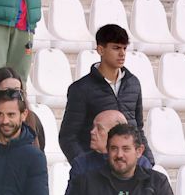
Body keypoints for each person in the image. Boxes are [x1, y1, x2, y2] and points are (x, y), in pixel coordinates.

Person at [60, 25, 146, 163]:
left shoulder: (133, 83)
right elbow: (68, 136)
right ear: (100, 50)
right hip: (95, 168)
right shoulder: (81, 89)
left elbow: (138, 128)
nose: (122, 53)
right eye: (116, 48)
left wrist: (148, 162)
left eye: (124, 48)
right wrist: (84, 167)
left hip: (129, 168)